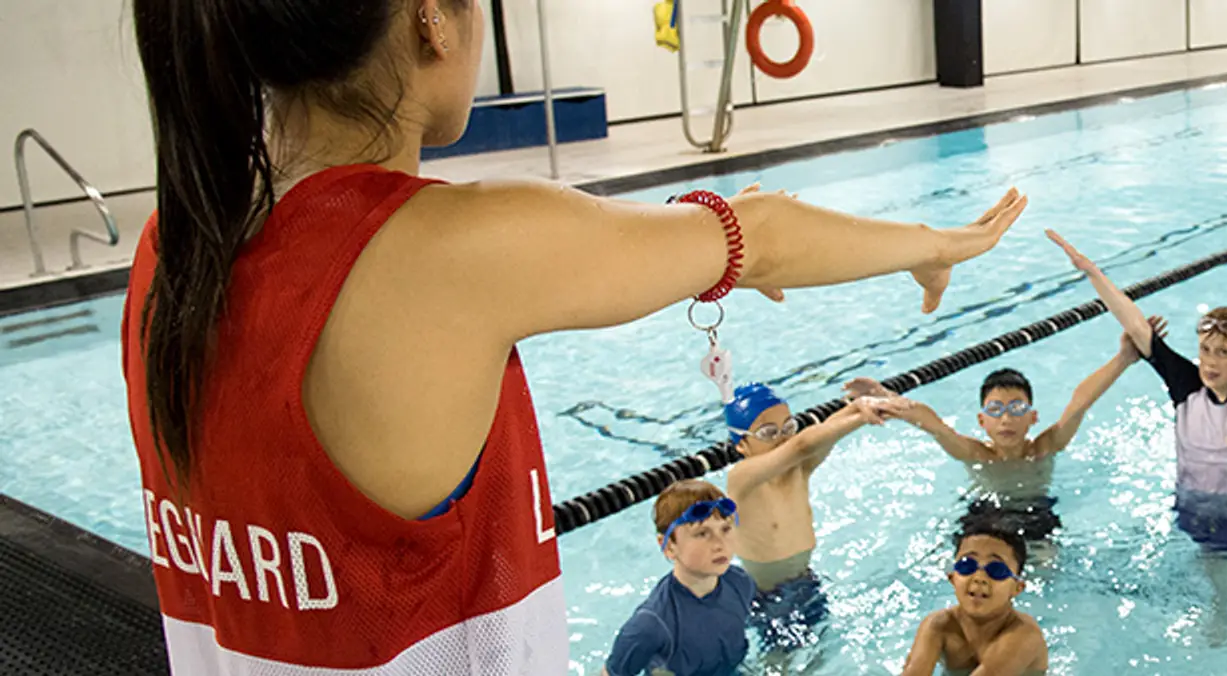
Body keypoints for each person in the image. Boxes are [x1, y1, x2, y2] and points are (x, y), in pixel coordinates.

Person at [120, 0, 1026, 669]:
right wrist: (937, 245)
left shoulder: (173, 250)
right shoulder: (441, 250)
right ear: (433, 19)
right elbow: (763, 236)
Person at [1045, 230, 1227, 644]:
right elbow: (1135, 325)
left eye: (1224, 353)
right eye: (1206, 350)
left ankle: (1225, 616)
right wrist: (1093, 273)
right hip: (1189, 504)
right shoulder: (1185, 383)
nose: (1211, 361)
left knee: (1220, 580)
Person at [851, 317, 1166, 554]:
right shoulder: (975, 453)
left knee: (1045, 572)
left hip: (1035, 516)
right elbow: (930, 422)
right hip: (983, 518)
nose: (1006, 419)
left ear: (1032, 417)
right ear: (982, 421)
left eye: (1016, 409)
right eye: (996, 410)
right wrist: (884, 397)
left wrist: (1125, 357)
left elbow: (1081, 402)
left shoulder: (1045, 447)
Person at [723, 384, 898, 655]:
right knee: (777, 663)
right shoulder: (742, 479)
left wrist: (861, 403)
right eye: (769, 433)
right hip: (767, 597)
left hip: (806, 584)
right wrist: (861, 417)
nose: (783, 439)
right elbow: (803, 445)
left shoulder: (798, 470)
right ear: (742, 444)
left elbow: (821, 437)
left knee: (817, 658)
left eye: (788, 427)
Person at [603, 480, 754, 676]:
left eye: (725, 529)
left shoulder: (740, 582)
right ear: (668, 546)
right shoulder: (650, 625)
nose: (719, 544)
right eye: (702, 534)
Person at [901, 521, 1048, 676]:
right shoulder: (939, 626)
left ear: (1017, 588)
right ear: (952, 578)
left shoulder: (1024, 636)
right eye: (967, 565)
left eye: (996, 569)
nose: (979, 577)